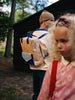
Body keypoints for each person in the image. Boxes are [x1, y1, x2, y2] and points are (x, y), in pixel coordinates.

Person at [37, 13, 75, 100]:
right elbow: (43, 95)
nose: (59, 45)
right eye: (57, 41)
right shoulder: (54, 67)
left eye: (63, 41)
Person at [30, 10, 55, 100]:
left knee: (36, 93)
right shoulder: (48, 36)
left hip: (34, 67)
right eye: (51, 20)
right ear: (44, 22)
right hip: (44, 69)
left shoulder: (33, 34)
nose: (53, 22)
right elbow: (53, 53)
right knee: (44, 95)